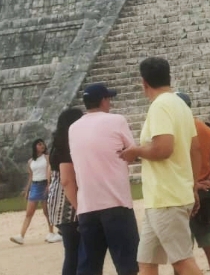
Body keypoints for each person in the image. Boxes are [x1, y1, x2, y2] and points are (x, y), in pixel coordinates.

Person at [117, 58, 202, 275]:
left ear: (144, 82)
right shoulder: (180, 104)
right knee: (146, 262)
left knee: (182, 261)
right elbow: (195, 149)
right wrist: (192, 184)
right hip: (164, 197)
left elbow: (163, 149)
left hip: (166, 197)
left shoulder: (160, 106)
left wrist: (135, 151)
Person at [69, 83, 140, 275]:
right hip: (116, 202)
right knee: (128, 266)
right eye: (108, 99)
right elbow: (132, 152)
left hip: (87, 206)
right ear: (103, 100)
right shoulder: (116, 120)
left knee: (89, 267)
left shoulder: (73, 128)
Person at [179, 91, 210, 275]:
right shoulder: (205, 129)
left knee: (183, 252)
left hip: (185, 191)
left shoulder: (178, 130)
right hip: (206, 194)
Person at [48, 108, 85, 275]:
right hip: (68, 205)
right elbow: (67, 180)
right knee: (75, 253)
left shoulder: (57, 145)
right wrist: (80, 208)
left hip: (58, 202)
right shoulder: (67, 146)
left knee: (72, 252)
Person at [11, 138, 60, 244]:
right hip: (35, 185)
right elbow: (31, 176)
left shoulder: (47, 157)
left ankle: (51, 232)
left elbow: (49, 171)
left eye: (43, 144)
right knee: (29, 212)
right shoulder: (30, 161)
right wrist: (27, 189)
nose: (42, 146)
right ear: (35, 147)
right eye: (39, 144)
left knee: (46, 211)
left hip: (44, 183)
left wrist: (48, 184)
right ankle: (21, 235)